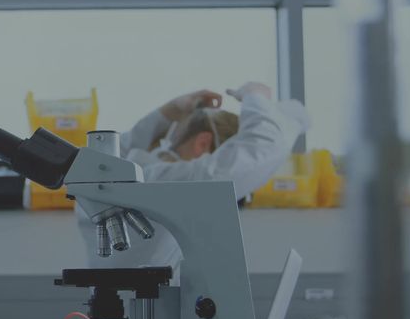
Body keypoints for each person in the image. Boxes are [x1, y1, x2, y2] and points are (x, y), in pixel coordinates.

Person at [77, 82, 310, 279]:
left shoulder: (115, 177)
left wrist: (164, 114)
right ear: (203, 144)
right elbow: (261, 148)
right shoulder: (165, 183)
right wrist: (256, 95)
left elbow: (111, 154)